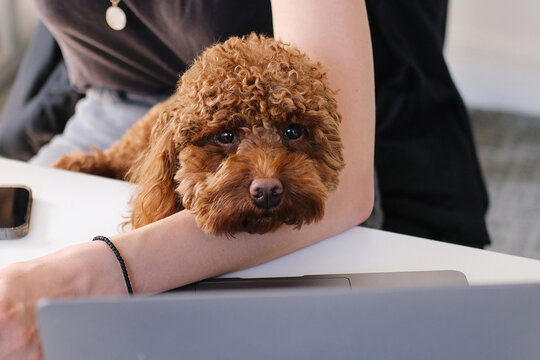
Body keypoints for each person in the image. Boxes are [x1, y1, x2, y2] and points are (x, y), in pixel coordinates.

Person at [0, 1, 376, 358]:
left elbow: (346, 177)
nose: (266, 177)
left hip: (284, 109)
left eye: (291, 132)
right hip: (105, 113)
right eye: (229, 138)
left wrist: (97, 273)